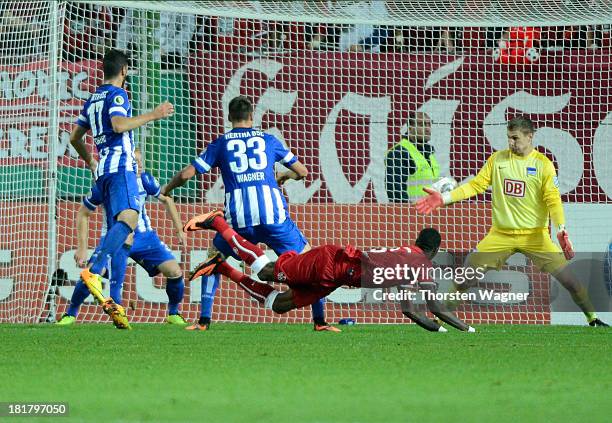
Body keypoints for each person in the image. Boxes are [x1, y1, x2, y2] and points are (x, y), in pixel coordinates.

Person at [416, 115, 609, 327]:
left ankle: (593, 319)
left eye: (515, 138)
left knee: (570, 280)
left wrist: (561, 229)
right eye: (509, 137)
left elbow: (553, 200)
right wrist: (444, 198)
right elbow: (475, 186)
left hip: (535, 236)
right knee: (465, 277)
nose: (511, 143)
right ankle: (439, 321)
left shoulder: (543, 165)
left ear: (530, 137)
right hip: (500, 235)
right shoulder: (497, 160)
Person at [161, 96, 334, 332]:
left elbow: (186, 175)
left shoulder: (221, 143)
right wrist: (283, 176)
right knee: (308, 261)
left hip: (239, 220)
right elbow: (303, 171)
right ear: (252, 117)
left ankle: (203, 321)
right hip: (274, 217)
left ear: (230, 117)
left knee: (214, 259)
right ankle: (320, 321)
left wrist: (167, 190)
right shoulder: (268, 140)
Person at [185, 210, 475, 333]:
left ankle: (222, 267)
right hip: (331, 262)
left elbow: (412, 310)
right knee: (266, 271)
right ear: (434, 252)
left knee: (279, 305)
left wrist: (437, 328)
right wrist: (464, 329)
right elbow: (432, 306)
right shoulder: (420, 265)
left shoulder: (410, 259)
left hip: (336, 279)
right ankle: (220, 222)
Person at [69, 49, 174, 328]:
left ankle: (114, 302)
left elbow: (75, 137)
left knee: (122, 232)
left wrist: (90, 159)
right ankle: (93, 271)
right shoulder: (119, 95)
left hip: (103, 167)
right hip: (120, 167)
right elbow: (118, 125)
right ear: (124, 70)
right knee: (130, 219)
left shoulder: (92, 99)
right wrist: (154, 114)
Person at [56, 150, 188, 327]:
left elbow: (167, 199)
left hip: (144, 237)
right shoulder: (108, 184)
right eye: (135, 162)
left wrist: (180, 229)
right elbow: (83, 214)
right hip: (114, 237)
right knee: (91, 275)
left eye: (141, 162)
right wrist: (82, 247)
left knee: (175, 272)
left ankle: (173, 313)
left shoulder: (145, 181)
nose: (139, 165)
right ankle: (70, 314)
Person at [385, 111, 439, 202]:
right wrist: (409, 213)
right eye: (422, 124)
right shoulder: (400, 152)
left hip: (431, 211)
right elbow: (395, 190)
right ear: (410, 129)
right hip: (414, 213)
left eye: (429, 124)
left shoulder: (429, 153)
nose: (427, 129)